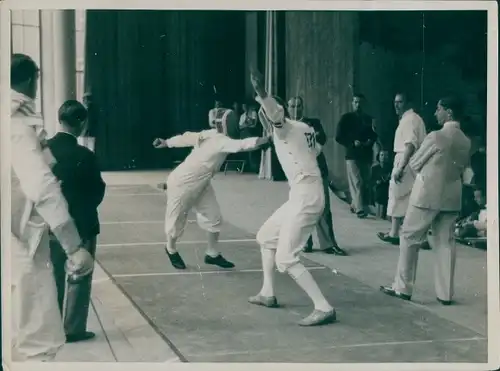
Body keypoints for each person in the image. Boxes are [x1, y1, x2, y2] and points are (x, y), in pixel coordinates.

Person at [10, 53, 94, 361]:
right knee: (36, 337)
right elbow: (42, 185)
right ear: (33, 80)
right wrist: (73, 246)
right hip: (17, 240)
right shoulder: (16, 123)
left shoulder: (21, 117)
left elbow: (48, 164)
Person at [248, 69, 336, 326]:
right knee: (266, 237)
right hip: (302, 193)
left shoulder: (284, 126)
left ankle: (323, 307)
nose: (263, 116)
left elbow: (276, 115)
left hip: (307, 196)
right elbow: (316, 147)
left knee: (285, 258)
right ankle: (268, 293)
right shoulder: (304, 127)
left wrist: (262, 92)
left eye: (264, 111)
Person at [380, 96, 471, 305]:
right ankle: (445, 294)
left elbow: (415, 162)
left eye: (438, 109)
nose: (435, 113)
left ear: (448, 112)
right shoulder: (465, 141)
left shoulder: (436, 136)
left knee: (409, 237)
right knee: (445, 243)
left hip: (426, 196)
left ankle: (403, 287)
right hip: (451, 197)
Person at [153, 109, 270, 270]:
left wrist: (167, 142)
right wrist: (264, 140)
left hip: (202, 183)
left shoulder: (211, 134)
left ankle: (212, 253)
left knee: (214, 216)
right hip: (182, 184)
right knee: (175, 223)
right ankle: (170, 249)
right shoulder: (221, 140)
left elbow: (186, 137)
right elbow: (242, 145)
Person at [47, 100, 106, 343]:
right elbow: (97, 191)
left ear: (60, 119)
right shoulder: (86, 155)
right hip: (81, 224)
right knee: (78, 276)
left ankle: (50, 326)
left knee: (51, 277)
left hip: (50, 223)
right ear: (81, 123)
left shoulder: (45, 150)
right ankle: (73, 329)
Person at [287, 96, 346, 256]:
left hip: (318, 171)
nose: (295, 109)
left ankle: (328, 244)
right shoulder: (286, 126)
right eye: (292, 106)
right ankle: (305, 243)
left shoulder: (313, 122)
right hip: (299, 173)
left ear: (302, 107)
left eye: (298, 106)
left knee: (323, 207)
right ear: (288, 107)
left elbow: (321, 139)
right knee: (302, 208)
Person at [377, 93, 427, 245]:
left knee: (399, 195)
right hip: (410, 160)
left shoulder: (410, 120)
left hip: (406, 160)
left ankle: (400, 233)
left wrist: (401, 167)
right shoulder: (412, 119)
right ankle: (401, 233)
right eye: (395, 102)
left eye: (400, 102)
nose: (396, 105)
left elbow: (410, 145)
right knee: (405, 197)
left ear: (408, 103)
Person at [335, 93, 377, 218]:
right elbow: (338, 137)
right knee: (357, 181)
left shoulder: (368, 119)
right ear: (352, 103)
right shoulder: (346, 118)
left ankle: (354, 204)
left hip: (365, 155)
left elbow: (374, 135)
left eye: (360, 103)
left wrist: (370, 140)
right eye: (356, 102)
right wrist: (352, 142)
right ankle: (360, 209)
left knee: (364, 182)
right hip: (352, 154)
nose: (358, 105)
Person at [371, 150, 392, 219]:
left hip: (387, 189)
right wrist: (376, 182)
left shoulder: (390, 167)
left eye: (385, 155)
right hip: (378, 189)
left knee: (383, 211)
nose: (383, 157)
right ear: (379, 157)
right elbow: (371, 180)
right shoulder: (374, 168)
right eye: (382, 155)